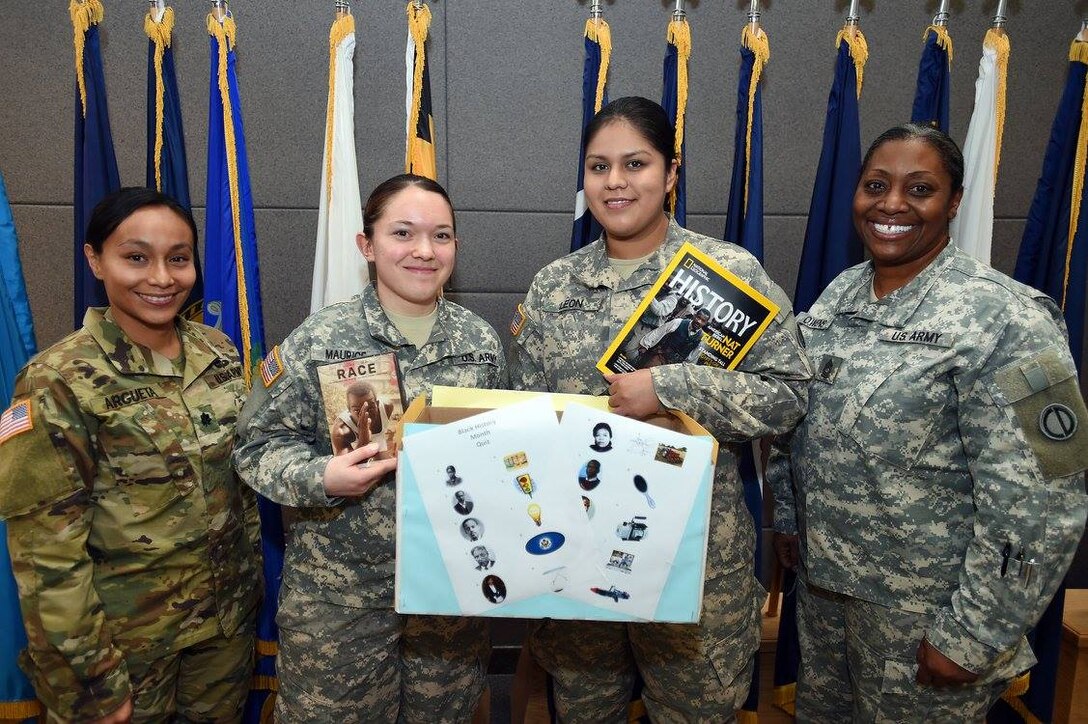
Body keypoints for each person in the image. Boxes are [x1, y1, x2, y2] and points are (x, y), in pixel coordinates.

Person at [768, 123, 1088, 722]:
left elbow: (1049, 495)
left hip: (927, 619)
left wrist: (973, 635)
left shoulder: (1011, 319)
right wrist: (787, 515)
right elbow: (801, 414)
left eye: (920, 189)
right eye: (875, 185)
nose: (892, 204)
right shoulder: (842, 295)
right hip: (826, 601)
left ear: (954, 202)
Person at [509, 96, 810, 722]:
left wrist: (674, 386)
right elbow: (529, 418)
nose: (615, 182)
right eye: (598, 167)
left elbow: (789, 395)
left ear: (671, 174)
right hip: (579, 562)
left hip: (693, 565)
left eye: (635, 164)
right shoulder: (554, 286)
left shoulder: (728, 273)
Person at [233, 174, 508, 723]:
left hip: (448, 595)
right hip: (341, 600)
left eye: (442, 236)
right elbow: (254, 445)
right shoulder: (320, 339)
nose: (424, 251)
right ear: (367, 245)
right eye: (403, 233)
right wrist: (323, 478)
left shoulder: (480, 343)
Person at [0, 188, 261, 722]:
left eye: (179, 259)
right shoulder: (56, 380)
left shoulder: (219, 353)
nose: (162, 278)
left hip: (222, 635)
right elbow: (46, 552)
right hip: (125, 649)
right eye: (136, 257)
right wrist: (90, 681)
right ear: (95, 259)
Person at [635, 306, 711, 367]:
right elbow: (660, 332)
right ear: (694, 315)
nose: (699, 321)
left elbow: (693, 358)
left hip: (675, 367)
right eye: (698, 317)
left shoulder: (702, 338)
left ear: (706, 323)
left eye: (703, 320)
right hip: (661, 356)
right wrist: (645, 345)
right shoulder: (678, 322)